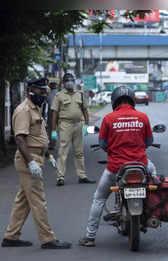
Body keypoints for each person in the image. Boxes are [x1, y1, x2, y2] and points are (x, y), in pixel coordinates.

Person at [79, 86, 156, 247]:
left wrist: (116, 151)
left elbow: (103, 144)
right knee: (155, 180)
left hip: (116, 168)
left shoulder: (108, 119)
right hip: (141, 164)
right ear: (132, 100)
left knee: (99, 199)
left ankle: (89, 237)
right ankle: (153, 212)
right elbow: (149, 142)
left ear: (114, 101)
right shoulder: (142, 117)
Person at [1, 78, 71, 249]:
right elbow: (20, 139)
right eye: (41, 91)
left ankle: (11, 236)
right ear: (31, 90)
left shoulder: (36, 108)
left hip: (36, 155)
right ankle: (48, 239)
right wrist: (31, 163)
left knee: (23, 201)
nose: (44, 95)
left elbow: (37, 135)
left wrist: (47, 154)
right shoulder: (24, 110)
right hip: (28, 159)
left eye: (45, 91)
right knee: (38, 201)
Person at [50, 73, 95, 186]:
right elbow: (54, 113)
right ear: (64, 83)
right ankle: (60, 177)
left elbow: (85, 110)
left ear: (74, 82)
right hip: (65, 125)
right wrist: (54, 130)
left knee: (79, 152)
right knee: (63, 151)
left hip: (78, 124)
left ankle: (82, 176)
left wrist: (86, 125)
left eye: (71, 80)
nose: (69, 82)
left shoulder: (80, 95)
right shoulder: (59, 95)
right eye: (67, 80)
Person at [46, 80, 59, 150]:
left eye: (52, 85)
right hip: (55, 111)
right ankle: (53, 143)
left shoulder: (52, 93)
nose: (51, 86)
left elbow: (49, 102)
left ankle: (53, 143)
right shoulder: (56, 93)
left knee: (52, 129)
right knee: (54, 129)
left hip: (53, 111)